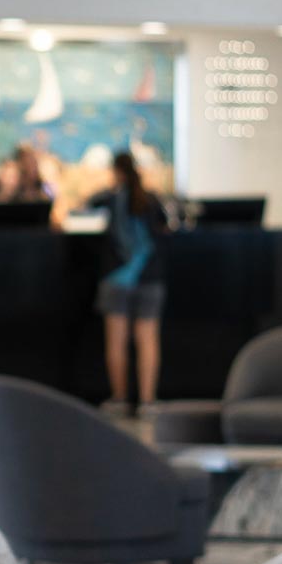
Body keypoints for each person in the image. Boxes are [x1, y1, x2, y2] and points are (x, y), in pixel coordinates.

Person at [87, 151, 170, 416]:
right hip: (150, 278)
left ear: (116, 171)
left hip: (117, 279)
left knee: (117, 341)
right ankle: (147, 402)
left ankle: (120, 399)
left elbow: (84, 207)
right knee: (147, 339)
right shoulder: (152, 199)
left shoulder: (109, 199)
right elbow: (166, 229)